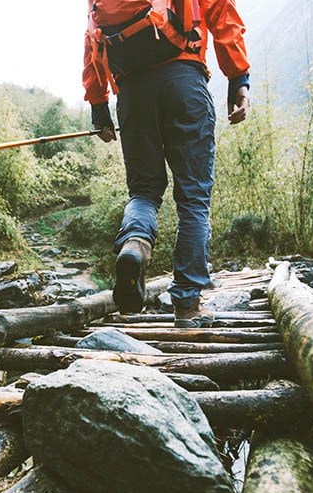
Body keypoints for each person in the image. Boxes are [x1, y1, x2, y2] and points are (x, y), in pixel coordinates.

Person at [82, 0, 251, 327]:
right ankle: (187, 305)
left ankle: (135, 242)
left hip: (131, 91)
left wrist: (99, 105)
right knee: (193, 199)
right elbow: (221, 11)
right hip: (183, 80)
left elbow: (92, 37)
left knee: (143, 192)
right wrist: (237, 78)